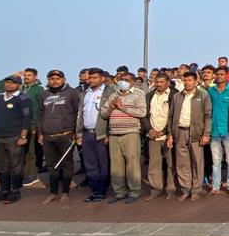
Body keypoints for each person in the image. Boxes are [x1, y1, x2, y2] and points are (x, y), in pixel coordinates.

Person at [99, 73, 147, 203]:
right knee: (116, 165)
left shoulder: (138, 94)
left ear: (132, 82)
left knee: (132, 164)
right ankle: (119, 192)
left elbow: (142, 112)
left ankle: (134, 191)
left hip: (131, 133)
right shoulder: (114, 95)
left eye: (126, 80)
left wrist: (122, 107)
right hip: (114, 133)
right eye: (121, 80)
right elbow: (103, 114)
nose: (123, 82)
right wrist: (111, 107)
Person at [167, 70, 212, 201]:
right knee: (182, 163)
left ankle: (196, 189)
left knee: (197, 162)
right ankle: (185, 189)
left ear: (196, 81)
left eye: (190, 80)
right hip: (179, 132)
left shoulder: (203, 95)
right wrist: (170, 134)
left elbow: (208, 116)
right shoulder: (177, 96)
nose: (187, 83)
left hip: (196, 133)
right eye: (185, 80)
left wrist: (206, 134)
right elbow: (171, 117)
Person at [38, 70, 82, 204]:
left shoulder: (72, 93)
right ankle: (53, 192)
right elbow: (40, 115)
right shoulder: (44, 94)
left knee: (66, 164)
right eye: (52, 79)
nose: (55, 81)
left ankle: (65, 192)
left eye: (58, 78)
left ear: (64, 79)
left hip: (66, 134)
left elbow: (77, 113)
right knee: (51, 165)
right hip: (48, 136)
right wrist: (40, 133)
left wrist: (76, 132)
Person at [0, 75, 31, 204]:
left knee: (16, 165)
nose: (9, 85)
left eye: (12, 83)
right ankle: (4, 190)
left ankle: (15, 190)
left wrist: (23, 136)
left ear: (18, 85)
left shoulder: (23, 98)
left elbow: (26, 118)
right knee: (1, 165)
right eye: (7, 82)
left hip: (15, 136)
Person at [78, 68, 113, 202]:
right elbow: (80, 114)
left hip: (101, 133)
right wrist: (79, 133)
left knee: (103, 163)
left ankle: (102, 191)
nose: (91, 80)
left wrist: (108, 134)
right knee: (90, 164)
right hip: (87, 133)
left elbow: (110, 115)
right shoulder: (84, 93)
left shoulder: (109, 92)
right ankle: (95, 190)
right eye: (90, 78)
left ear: (102, 78)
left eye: (94, 78)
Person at [143, 72, 174, 200]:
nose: (158, 84)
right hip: (153, 135)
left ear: (167, 82)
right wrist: (149, 129)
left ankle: (171, 189)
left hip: (168, 135)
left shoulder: (174, 94)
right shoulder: (150, 95)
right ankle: (156, 189)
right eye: (157, 82)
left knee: (171, 164)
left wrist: (165, 131)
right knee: (154, 164)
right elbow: (144, 114)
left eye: (161, 82)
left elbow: (174, 115)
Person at [208, 66, 229, 195]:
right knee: (216, 161)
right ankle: (215, 187)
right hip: (214, 130)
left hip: (228, 130)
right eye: (217, 74)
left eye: (222, 74)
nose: (219, 76)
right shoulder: (211, 91)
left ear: (227, 76)